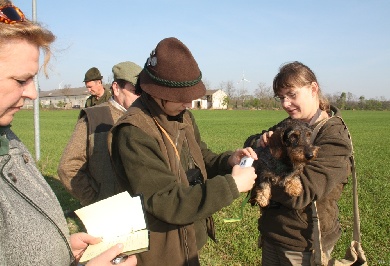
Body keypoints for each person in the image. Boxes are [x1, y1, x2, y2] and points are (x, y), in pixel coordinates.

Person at [0, 1, 137, 265]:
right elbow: (69, 167)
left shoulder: (11, 140)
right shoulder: (93, 111)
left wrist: (60, 248)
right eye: (20, 80)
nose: (32, 93)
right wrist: (98, 201)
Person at [109, 37, 258, 266]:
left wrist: (229, 161)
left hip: (187, 241)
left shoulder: (182, 116)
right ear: (155, 91)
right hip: (159, 252)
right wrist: (233, 185)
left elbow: (201, 157)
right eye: (181, 98)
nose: (188, 104)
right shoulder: (134, 132)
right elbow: (166, 201)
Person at [244, 61, 352, 266]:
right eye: (281, 98)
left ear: (313, 89)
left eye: (292, 95)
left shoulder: (333, 137)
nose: (285, 104)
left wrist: (258, 178)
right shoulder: (291, 124)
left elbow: (300, 194)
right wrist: (259, 142)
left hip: (304, 244)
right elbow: (252, 142)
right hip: (273, 234)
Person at [58, 61, 142, 206]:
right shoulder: (94, 117)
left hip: (141, 209)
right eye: (135, 91)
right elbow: (68, 167)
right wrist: (94, 201)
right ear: (116, 88)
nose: (141, 97)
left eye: (143, 92)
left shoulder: (145, 118)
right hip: (106, 211)